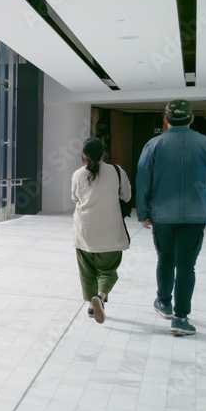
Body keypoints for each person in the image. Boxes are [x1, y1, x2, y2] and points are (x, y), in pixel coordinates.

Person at [136, 99, 206, 336]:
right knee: (186, 265)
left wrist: (143, 212)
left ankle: (163, 303)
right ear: (192, 118)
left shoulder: (153, 144)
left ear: (165, 120)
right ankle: (180, 318)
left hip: (162, 214)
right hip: (195, 214)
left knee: (165, 258)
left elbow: (143, 180)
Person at [71, 137, 131, 324]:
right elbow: (127, 196)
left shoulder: (78, 174)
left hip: (84, 230)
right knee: (107, 269)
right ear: (103, 153)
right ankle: (100, 296)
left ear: (84, 155)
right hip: (110, 231)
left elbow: (75, 198)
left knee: (87, 271)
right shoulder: (116, 171)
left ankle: (91, 305)